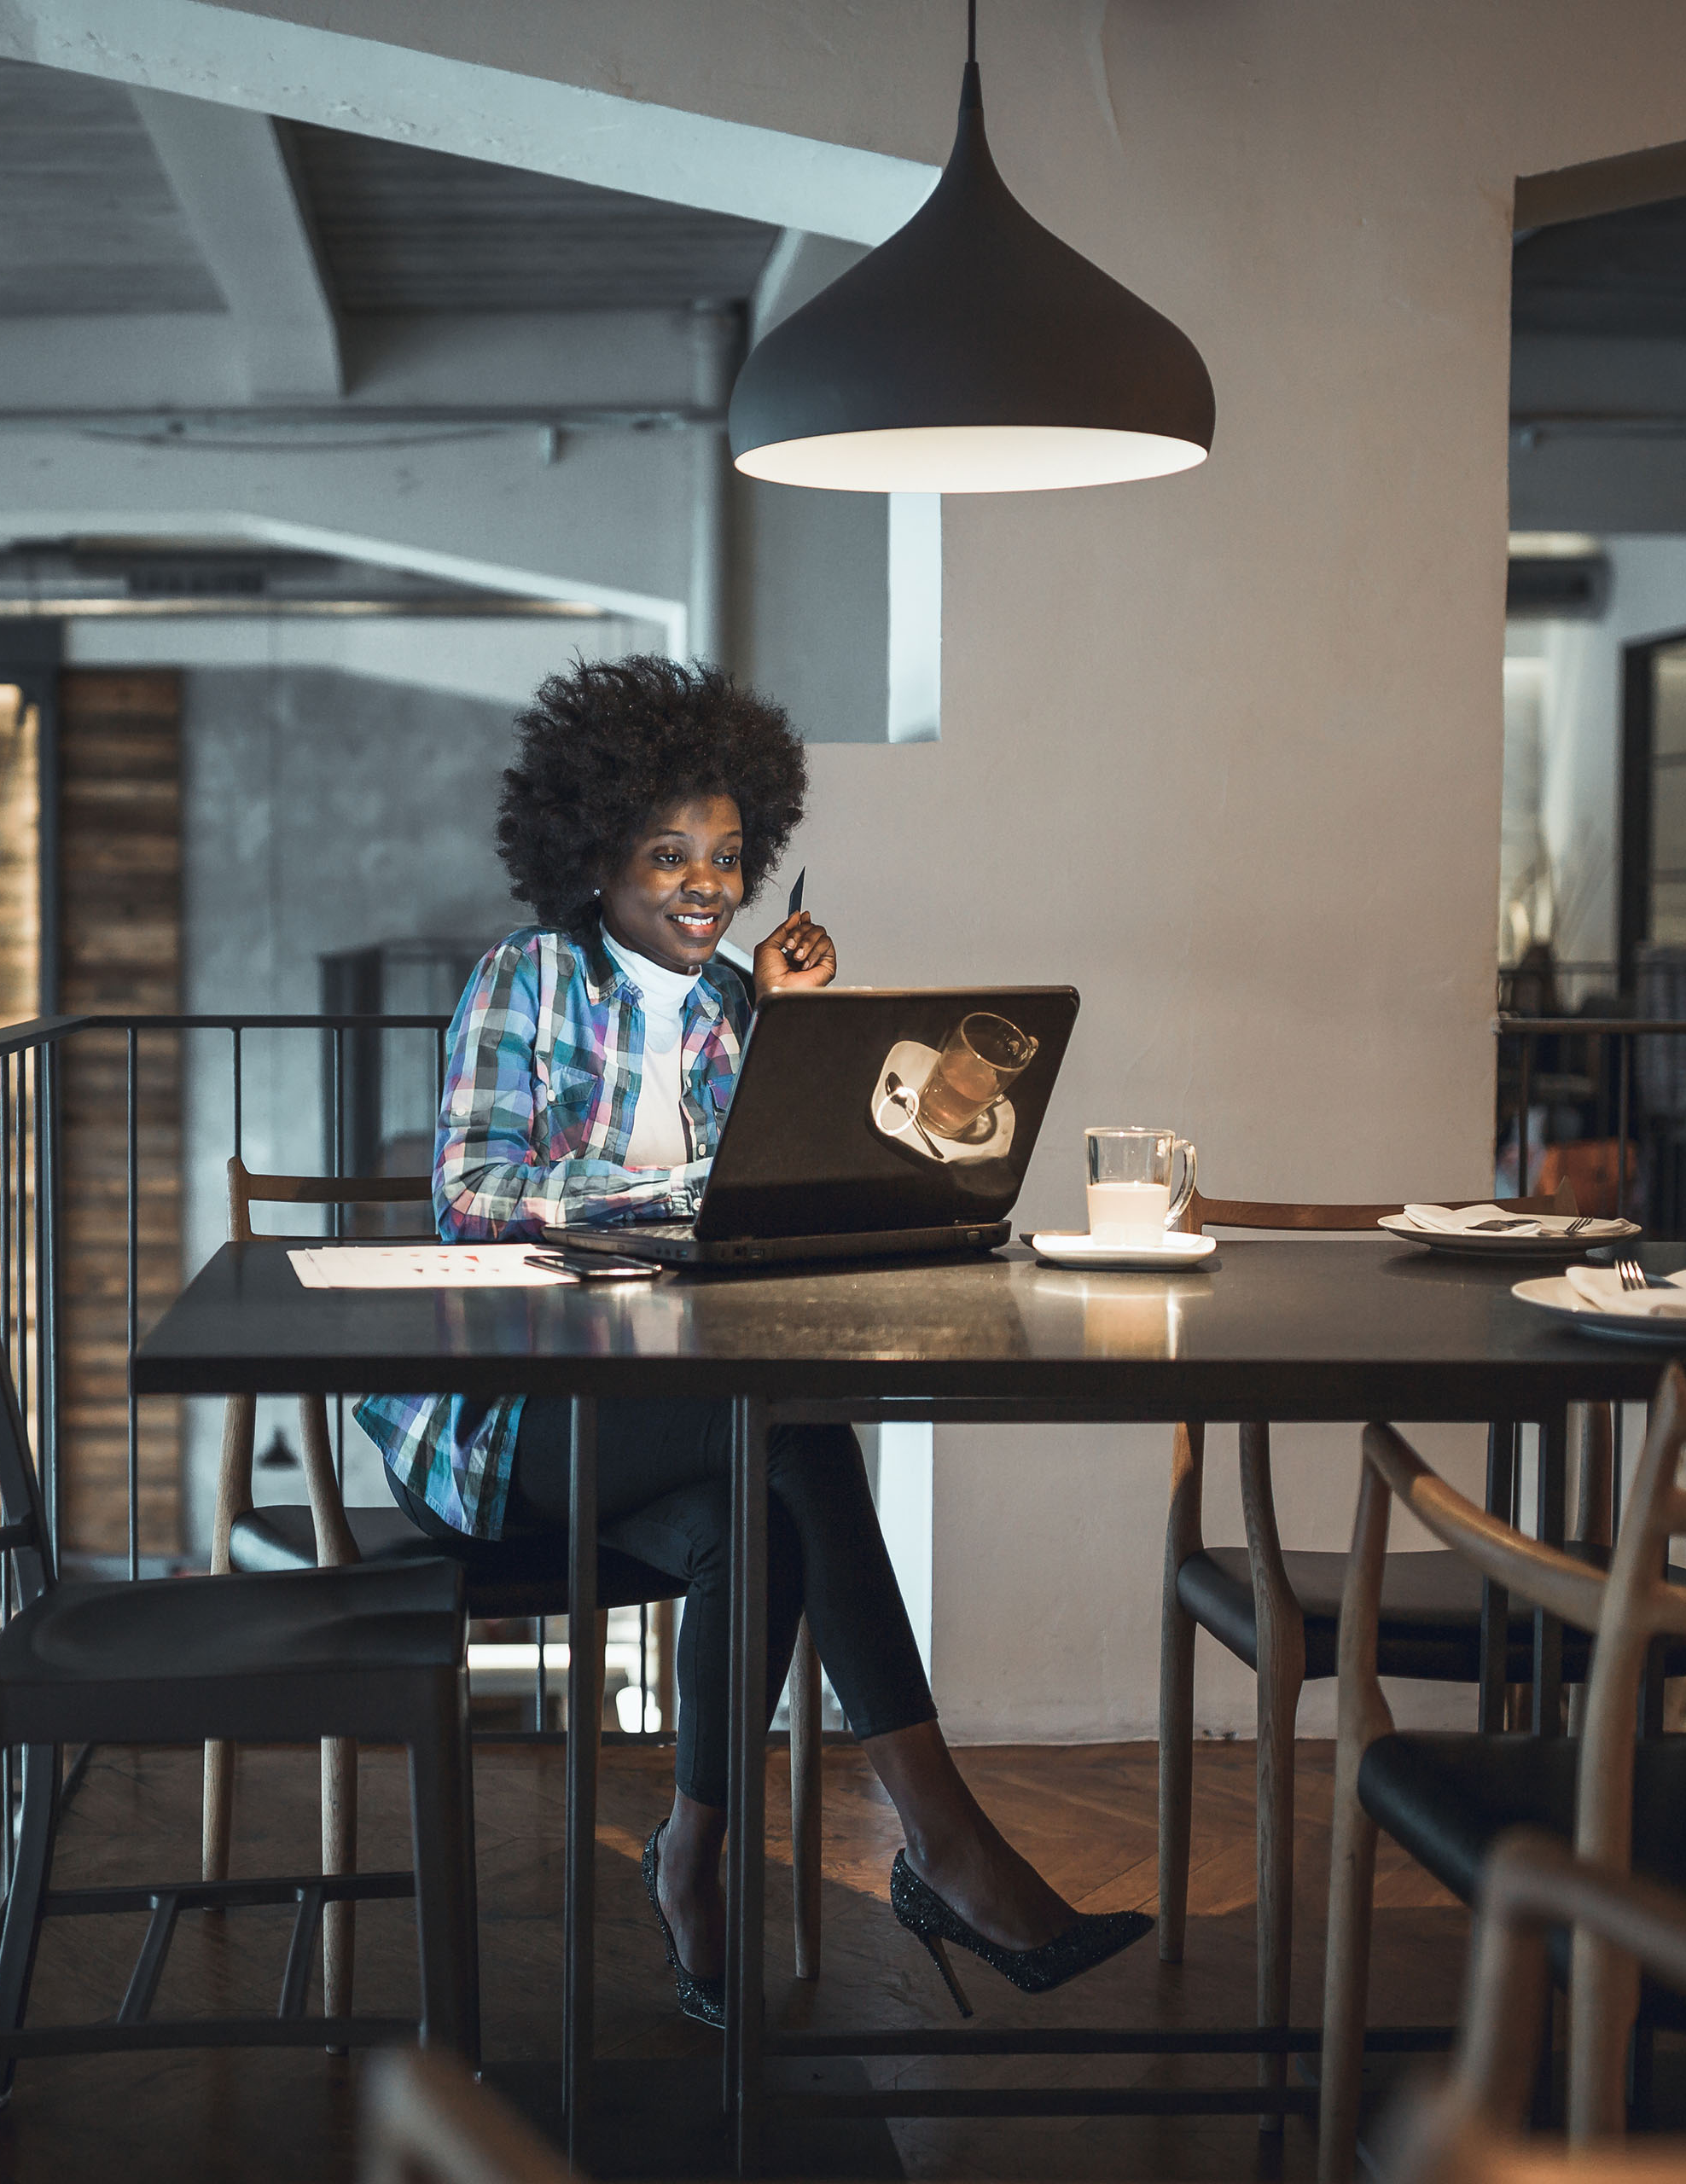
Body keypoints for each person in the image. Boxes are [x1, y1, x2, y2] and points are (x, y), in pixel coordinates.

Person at [354, 656, 1143, 2025]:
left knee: (764, 1495)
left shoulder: (732, 1005)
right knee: (789, 1436)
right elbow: (475, 1199)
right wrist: (676, 1198)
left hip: (682, 1410)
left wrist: (787, 1041)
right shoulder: (523, 981)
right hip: (508, 1423)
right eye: (668, 855)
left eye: (725, 855)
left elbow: (759, 1214)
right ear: (593, 855)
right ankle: (943, 1848)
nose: (705, 884)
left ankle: (697, 1859)